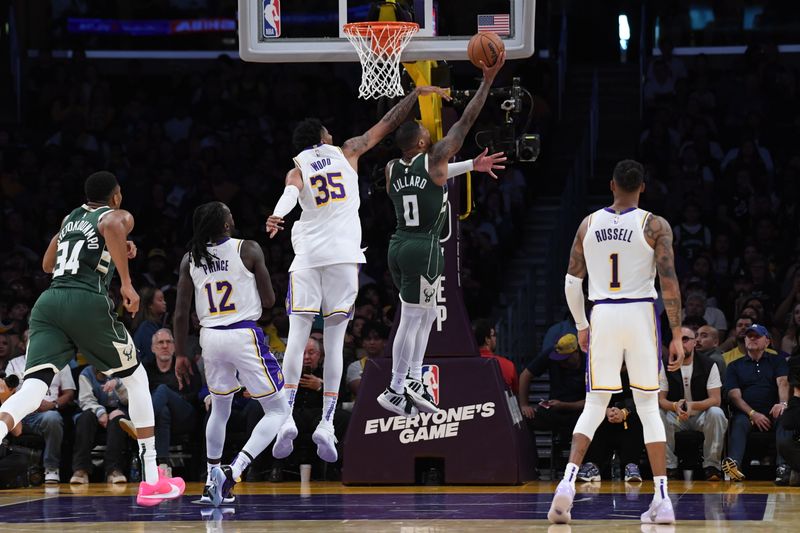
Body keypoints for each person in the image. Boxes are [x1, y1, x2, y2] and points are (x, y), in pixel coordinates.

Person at [265, 82, 451, 463]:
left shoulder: (297, 166)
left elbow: (288, 192)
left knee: (297, 337)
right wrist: (415, 95)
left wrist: (279, 215)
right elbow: (387, 122)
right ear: (323, 137)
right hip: (344, 259)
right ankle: (327, 423)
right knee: (334, 343)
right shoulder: (347, 150)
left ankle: (285, 418)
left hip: (309, 257)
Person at [0, 171, 184, 506]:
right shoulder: (116, 215)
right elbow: (113, 225)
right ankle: (152, 479)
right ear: (116, 195)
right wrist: (126, 283)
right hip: (84, 301)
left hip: (49, 303)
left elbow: (46, 264)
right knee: (137, 378)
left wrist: (112, 251)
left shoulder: (70, 219)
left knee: (32, 389)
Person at [548, 159, 684, 525]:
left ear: (611, 185)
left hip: (603, 314)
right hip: (640, 315)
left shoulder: (588, 224)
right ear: (642, 186)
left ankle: (567, 484)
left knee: (594, 404)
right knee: (649, 407)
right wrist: (675, 334)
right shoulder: (655, 224)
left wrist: (580, 325)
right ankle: (662, 499)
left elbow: (571, 283)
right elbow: (669, 283)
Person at [380, 52, 507, 416]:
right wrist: (486, 81)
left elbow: (437, 175)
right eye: (426, 134)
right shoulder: (434, 158)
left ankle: (413, 379)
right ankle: (395, 385)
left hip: (399, 242)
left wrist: (473, 165)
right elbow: (465, 123)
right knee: (412, 318)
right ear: (422, 144)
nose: (430, 135)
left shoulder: (391, 168)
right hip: (424, 246)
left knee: (421, 314)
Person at [174, 201, 288, 506]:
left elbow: (181, 312)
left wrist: (181, 353)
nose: (233, 215)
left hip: (209, 338)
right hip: (242, 333)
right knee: (278, 411)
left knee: (220, 410)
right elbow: (268, 300)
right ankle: (234, 469)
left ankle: (212, 480)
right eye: (230, 213)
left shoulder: (190, 259)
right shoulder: (248, 249)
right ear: (226, 224)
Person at [722, 324, 791, 485]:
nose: (752, 339)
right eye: (749, 336)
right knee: (739, 422)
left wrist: (782, 403)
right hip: (747, 413)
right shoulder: (734, 366)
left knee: (784, 417)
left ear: (767, 341)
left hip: (772, 410)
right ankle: (734, 467)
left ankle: (783, 468)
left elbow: (783, 383)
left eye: (756, 336)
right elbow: (734, 395)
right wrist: (752, 413)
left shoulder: (777, 361)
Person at [658, 327, 727, 481]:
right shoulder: (665, 364)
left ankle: (712, 466)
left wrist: (692, 406)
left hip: (701, 414)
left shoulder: (709, 364)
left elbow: (716, 399)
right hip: (675, 415)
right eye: (677, 339)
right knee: (657, 415)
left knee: (717, 413)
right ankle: (669, 466)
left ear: (695, 342)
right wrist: (675, 406)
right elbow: (660, 399)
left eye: (685, 339)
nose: (681, 343)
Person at [474, 319, 518, 395]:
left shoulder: (462, 365)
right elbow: (515, 393)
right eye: (494, 336)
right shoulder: (508, 365)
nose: (495, 339)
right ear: (487, 340)